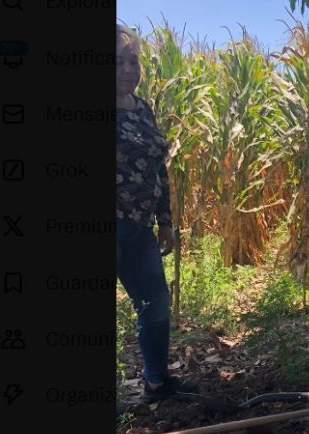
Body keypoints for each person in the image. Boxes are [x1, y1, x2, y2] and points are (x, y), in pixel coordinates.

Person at [116, 25, 196, 401]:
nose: (129, 69)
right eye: (118, 61)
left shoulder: (143, 109)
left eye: (133, 61)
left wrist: (165, 222)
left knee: (155, 305)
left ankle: (157, 382)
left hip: (139, 229)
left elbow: (158, 169)